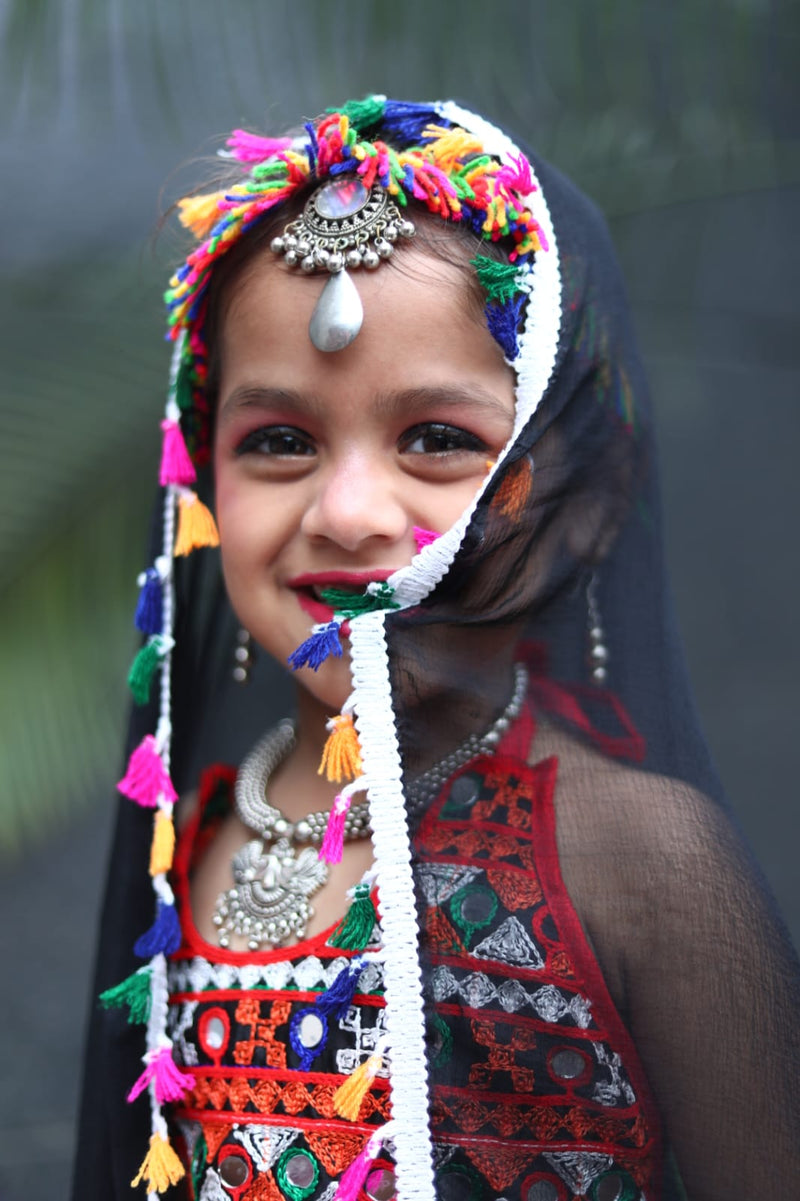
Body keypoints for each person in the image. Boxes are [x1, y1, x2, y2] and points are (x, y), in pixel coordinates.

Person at [73, 97, 800, 1201]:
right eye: (277, 441)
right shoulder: (196, 836)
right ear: (203, 488)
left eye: (435, 439)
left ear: (582, 500)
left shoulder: (642, 858)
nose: (352, 511)